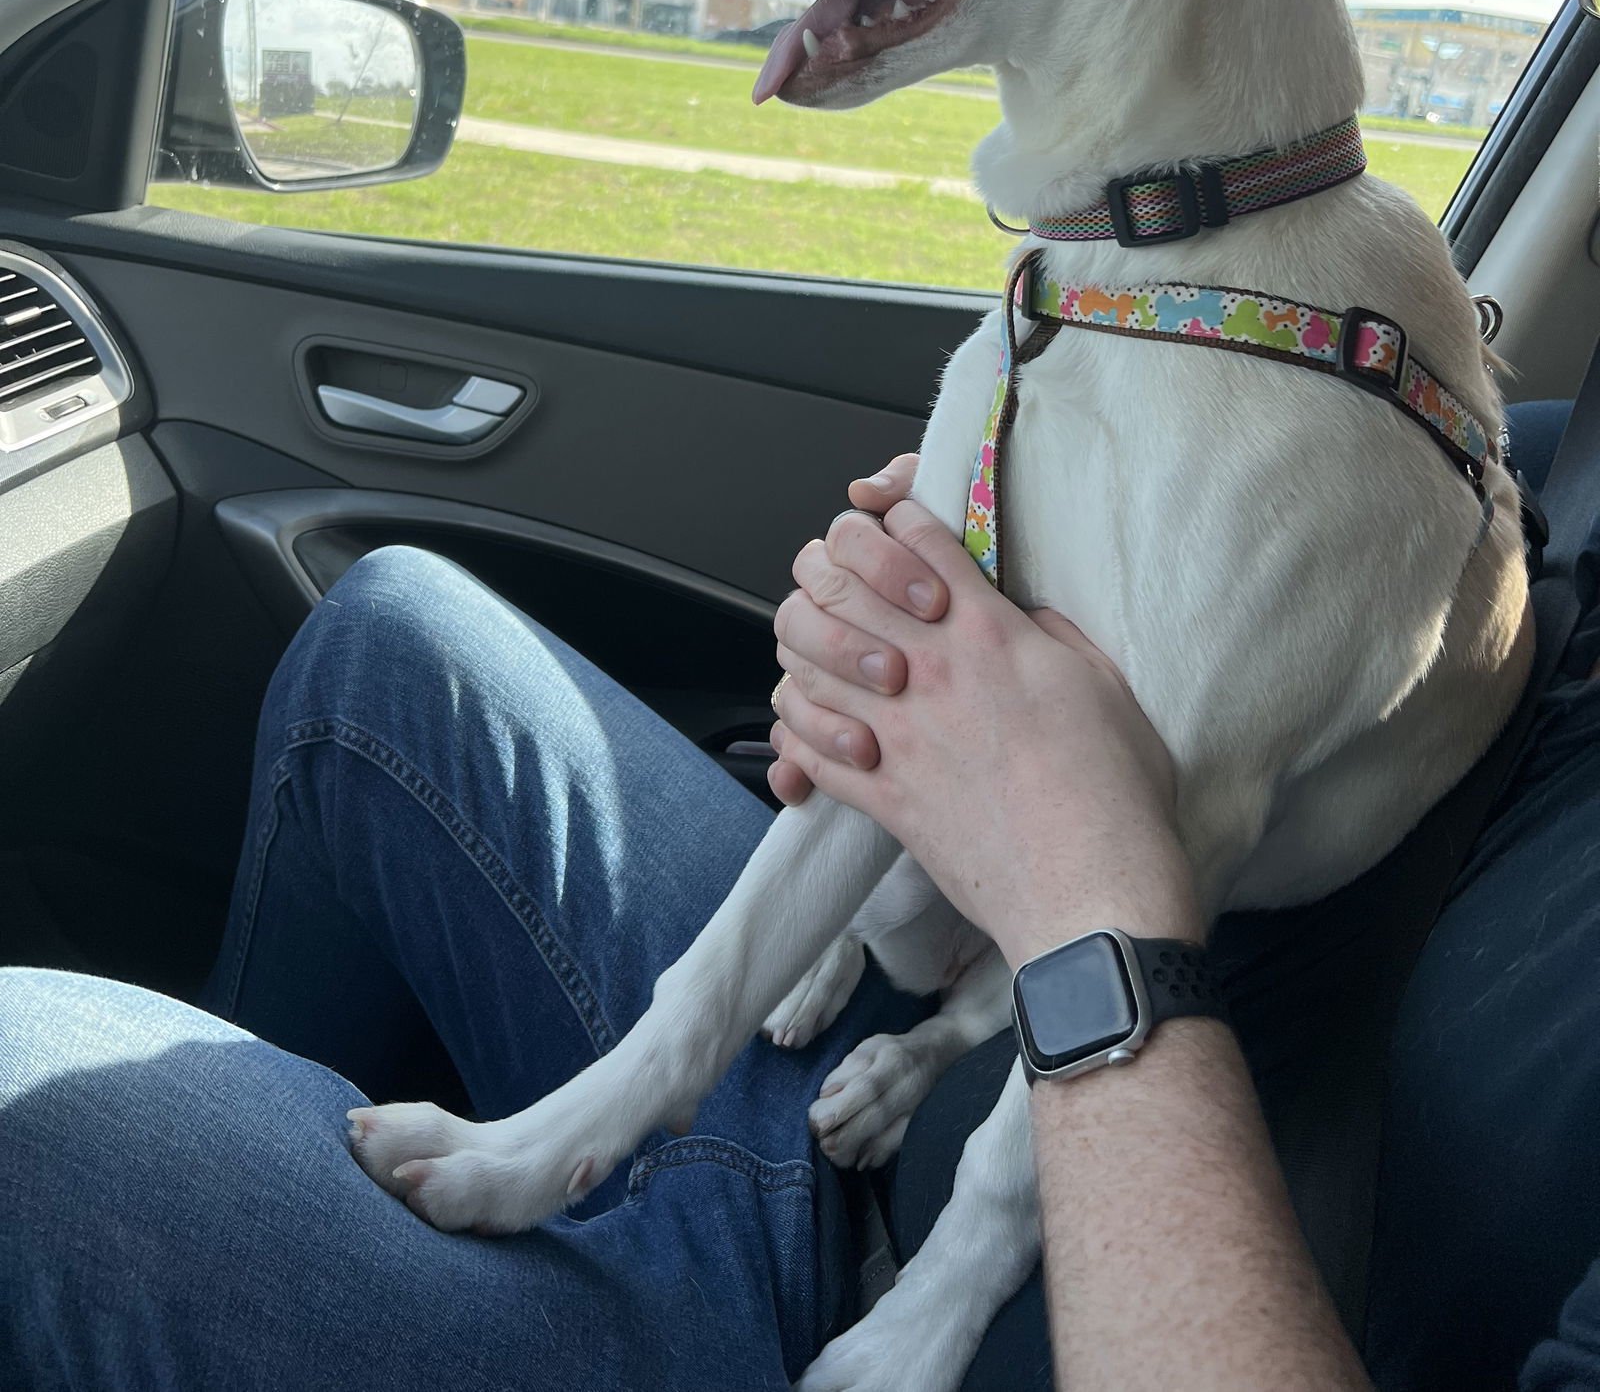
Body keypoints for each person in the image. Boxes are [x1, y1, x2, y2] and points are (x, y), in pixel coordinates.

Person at [1, 423, 1598, 1389]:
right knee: (387, 635)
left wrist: (1079, 892)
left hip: (970, 1315)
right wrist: (966, 635)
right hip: (914, 1047)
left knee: (26, 1094)